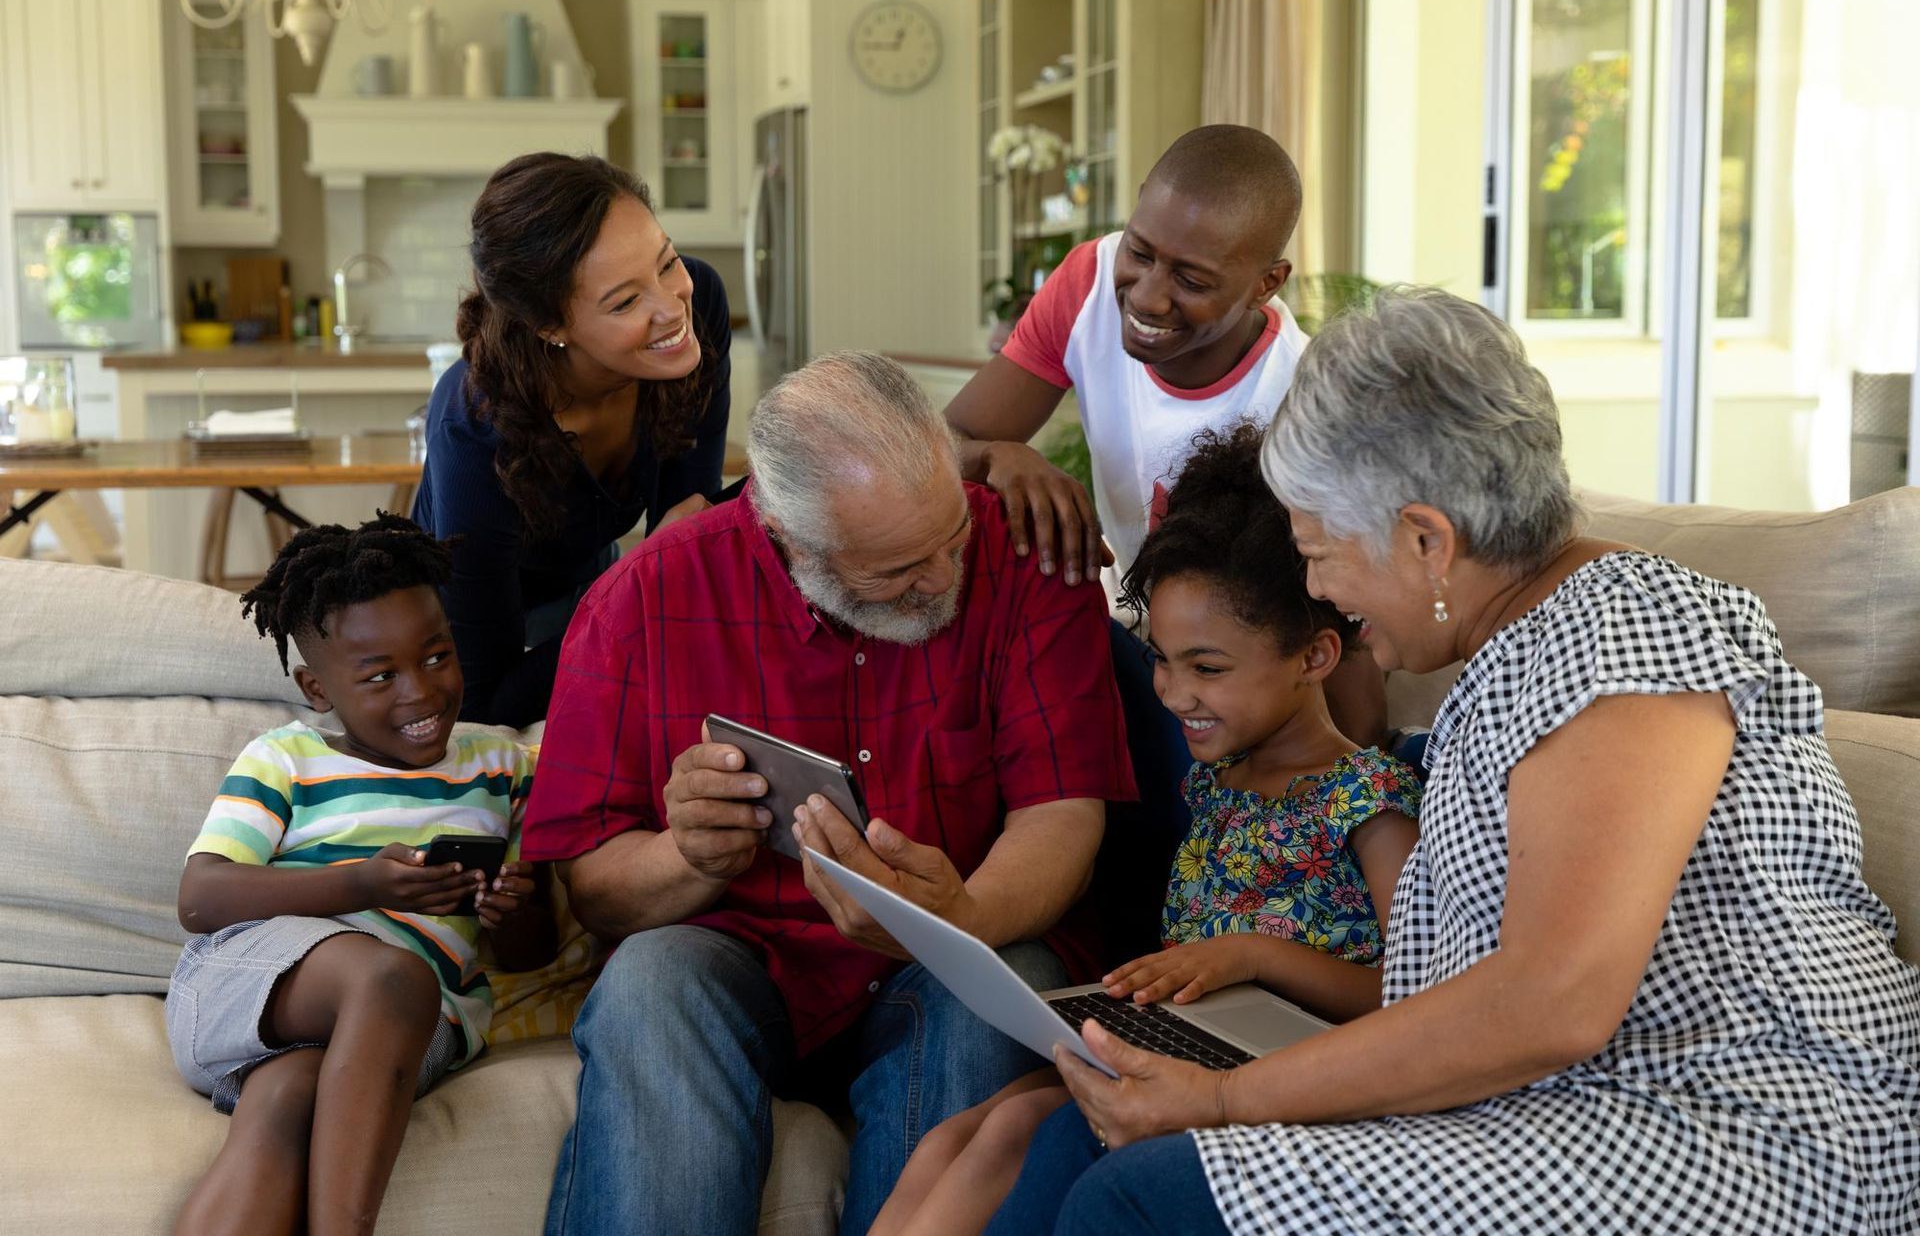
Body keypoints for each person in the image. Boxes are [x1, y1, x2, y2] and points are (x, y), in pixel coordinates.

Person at [987, 287, 1920, 1235]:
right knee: (1085, 1135)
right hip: (1566, 1101)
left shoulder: (1627, 633)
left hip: (1738, 1130)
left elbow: (1553, 1002)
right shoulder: (1515, 649)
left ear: (1428, 540)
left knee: (1137, 1195)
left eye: (1319, 553)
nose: (1317, 591)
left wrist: (1229, 1100)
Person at [520, 351, 1137, 1236]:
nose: (941, 580)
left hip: (960, 947)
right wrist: (686, 857)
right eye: (894, 569)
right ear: (785, 532)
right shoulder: (643, 599)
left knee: (998, 990)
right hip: (732, 959)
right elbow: (591, 888)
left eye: (951, 539)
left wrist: (959, 918)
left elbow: (1065, 811)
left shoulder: (1028, 559)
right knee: (652, 980)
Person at [871, 422, 1421, 1236]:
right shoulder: (1213, 784)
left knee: (1034, 1132)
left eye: (1208, 668)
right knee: (969, 1131)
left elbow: (1412, 1000)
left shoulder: (1369, 799)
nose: (1172, 692)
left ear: (1315, 656)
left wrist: (1252, 956)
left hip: (1293, 1076)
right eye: (1162, 659)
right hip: (1187, 1043)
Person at [946, 123, 1382, 830]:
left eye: (1191, 279)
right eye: (1140, 252)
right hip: (1134, 647)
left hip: (1238, 691)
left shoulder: (1304, 401)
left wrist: (1352, 808)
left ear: (1267, 284)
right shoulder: (1089, 284)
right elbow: (942, 445)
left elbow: (1345, 638)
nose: (1146, 296)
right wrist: (1000, 455)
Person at [164, 515, 554, 1236]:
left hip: (411, 1031)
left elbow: (529, 953)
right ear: (318, 688)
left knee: (285, 1100)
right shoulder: (284, 759)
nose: (422, 692)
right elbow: (201, 897)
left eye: (438, 656)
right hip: (250, 990)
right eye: (380, 676)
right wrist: (363, 886)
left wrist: (513, 908)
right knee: (393, 974)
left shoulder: (504, 770)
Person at [412, 151, 732, 728]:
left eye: (666, 262)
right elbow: (489, 701)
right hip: (468, 624)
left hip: (591, 588)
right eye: (626, 301)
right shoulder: (476, 429)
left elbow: (691, 524)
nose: (671, 305)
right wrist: (640, 586)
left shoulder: (699, 303)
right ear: (551, 327)